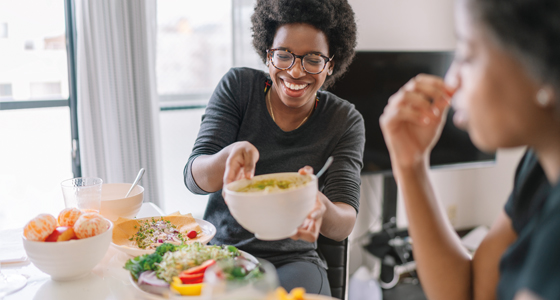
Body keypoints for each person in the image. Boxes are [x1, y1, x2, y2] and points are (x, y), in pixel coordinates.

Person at [379, 0, 560, 299]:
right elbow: (471, 292)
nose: (451, 80)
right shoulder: (539, 167)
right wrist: (410, 165)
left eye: (467, 55)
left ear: (544, 61)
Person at [183, 0, 365, 295]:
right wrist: (227, 156)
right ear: (267, 54)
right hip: (225, 254)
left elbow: (344, 222)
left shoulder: (343, 120)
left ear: (330, 64)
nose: (295, 72)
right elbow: (194, 178)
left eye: (313, 59)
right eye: (284, 56)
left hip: (295, 259)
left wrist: (318, 204)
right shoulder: (238, 88)